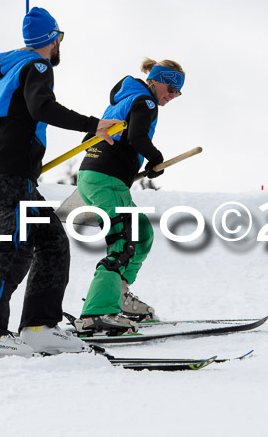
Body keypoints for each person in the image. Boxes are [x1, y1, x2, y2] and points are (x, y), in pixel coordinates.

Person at [0, 7, 122, 359]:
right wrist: (94, 124)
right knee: (15, 247)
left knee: (51, 242)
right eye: (59, 38)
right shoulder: (37, 66)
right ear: (52, 40)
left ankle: (40, 329)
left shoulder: (0, 76)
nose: (59, 45)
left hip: (1, 172)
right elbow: (42, 108)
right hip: (13, 174)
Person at [73, 58, 185, 334]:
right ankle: (97, 313)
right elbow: (136, 138)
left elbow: (90, 138)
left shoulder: (124, 100)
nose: (171, 96)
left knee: (142, 232)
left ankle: (119, 295)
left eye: (177, 93)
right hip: (106, 178)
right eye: (170, 88)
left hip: (97, 176)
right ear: (155, 80)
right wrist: (155, 159)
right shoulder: (144, 101)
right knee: (124, 240)